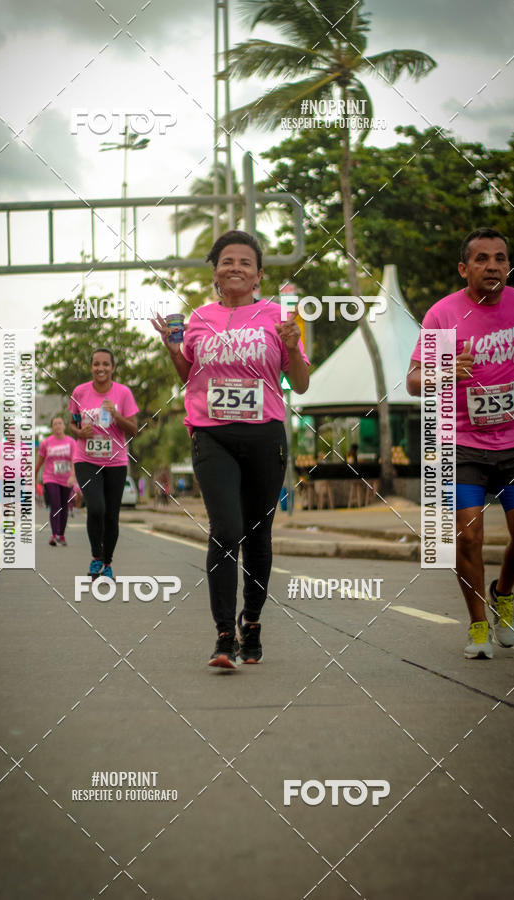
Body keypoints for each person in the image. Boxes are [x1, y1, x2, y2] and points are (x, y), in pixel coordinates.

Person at [152, 230, 309, 668]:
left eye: (244, 262)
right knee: (226, 529)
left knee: (257, 533)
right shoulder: (198, 318)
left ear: (258, 274)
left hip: (264, 437)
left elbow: (299, 382)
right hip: (211, 435)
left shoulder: (279, 317)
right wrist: (172, 349)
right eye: (226, 261)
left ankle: (252, 621)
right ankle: (224, 635)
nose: (235, 267)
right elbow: (188, 375)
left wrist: (293, 346)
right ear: (216, 272)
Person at [407, 227, 514, 659]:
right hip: (461, 444)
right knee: (468, 537)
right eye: (481, 259)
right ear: (464, 268)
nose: (492, 265)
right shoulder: (443, 315)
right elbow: (413, 381)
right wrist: (443, 370)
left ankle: (504, 592)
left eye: (500, 257)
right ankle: (478, 626)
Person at [69, 348, 138, 580]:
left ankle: (107, 562)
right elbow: (73, 422)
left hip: (116, 462)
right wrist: (80, 431)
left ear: (112, 367)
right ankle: (96, 556)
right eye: (96, 364)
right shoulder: (79, 392)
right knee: (96, 508)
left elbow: (134, 430)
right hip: (86, 460)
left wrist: (116, 415)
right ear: (91, 367)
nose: (101, 368)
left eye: (105, 364)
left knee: (111, 515)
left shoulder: (123, 393)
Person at [35, 416, 77, 547]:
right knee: (55, 504)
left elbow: (74, 460)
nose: (58, 426)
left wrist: (72, 476)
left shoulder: (71, 442)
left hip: (66, 479)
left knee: (64, 506)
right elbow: (40, 461)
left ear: (64, 426)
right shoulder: (46, 443)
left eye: (60, 423)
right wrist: (33, 477)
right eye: (55, 424)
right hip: (50, 477)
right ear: (52, 428)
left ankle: (61, 535)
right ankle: (54, 535)